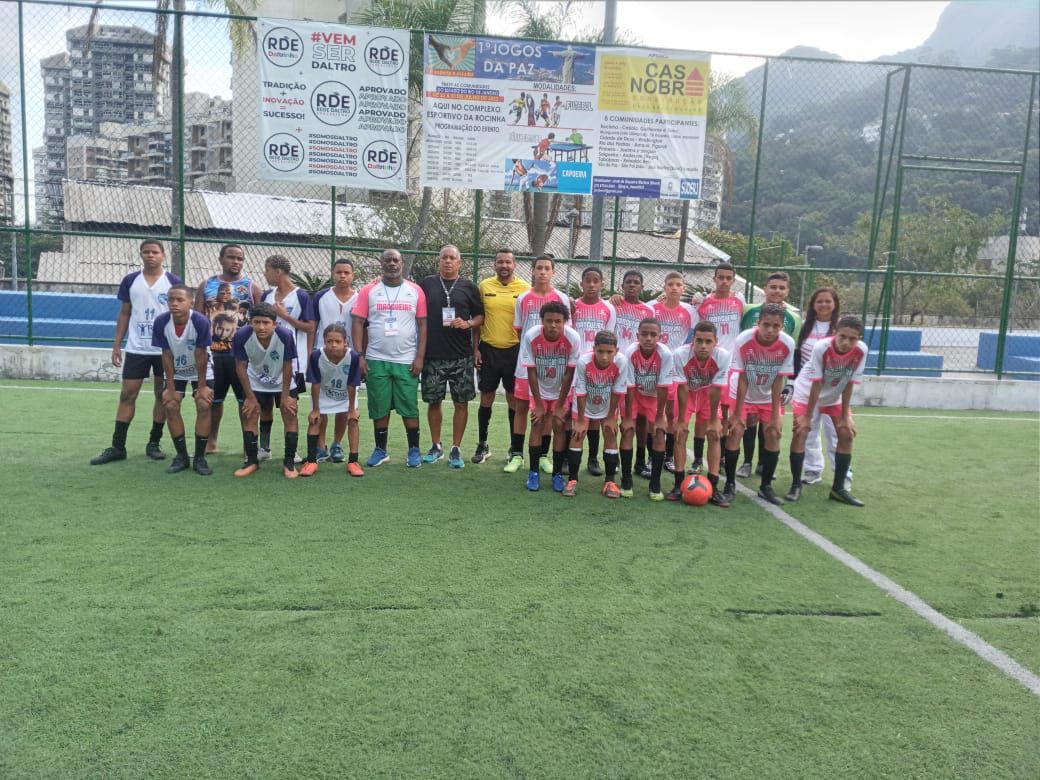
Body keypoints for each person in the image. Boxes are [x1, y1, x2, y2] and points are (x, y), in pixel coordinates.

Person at [90, 240, 180, 466]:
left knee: (163, 395)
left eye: (155, 252)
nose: (151, 256)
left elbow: (180, 316)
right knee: (127, 395)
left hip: (164, 350)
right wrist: (117, 344)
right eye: (146, 252)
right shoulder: (131, 280)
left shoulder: (173, 282)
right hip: (137, 348)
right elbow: (124, 313)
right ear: (141, 255)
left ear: (163, 255)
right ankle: (118, 446)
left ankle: (154, 443)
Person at [352, 248, 428, 468]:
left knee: (409, 406)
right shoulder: (369, 290)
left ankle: (413, 449)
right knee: (379, 406)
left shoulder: (415, 291)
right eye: (388, 260)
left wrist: (419, 357)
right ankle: (380, 449)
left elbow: (423, 325)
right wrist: (360, 356)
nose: (392, 263)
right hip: (376, 358)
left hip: (406, 359)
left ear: (402, 263)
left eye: (396, 260)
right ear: (382, 263)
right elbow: (357, 323)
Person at [787, 315, 868, 506]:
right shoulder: (821, 348)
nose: (847, 342)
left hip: (834, 393)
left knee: (846, 434)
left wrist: (845, 416)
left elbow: (849, 382)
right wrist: (807, 416)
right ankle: (796, 484)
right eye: (843, 337)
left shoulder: (861, 351)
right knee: (801, 431)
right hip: (807, 393)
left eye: (852, 338)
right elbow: (816, 382)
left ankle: (838, 489)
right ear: (834, 334)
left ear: (859, 339)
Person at [724, 303, 796, 506]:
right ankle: (729, 485)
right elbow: (743, 377)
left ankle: (766, 487)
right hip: (742, 392)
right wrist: (737, 414)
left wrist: (774, 415)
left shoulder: (787, 344)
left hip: (767, 394)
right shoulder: (743, 340)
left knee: (773, 433)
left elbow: (778, 380)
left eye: (776, 325)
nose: (771, 330)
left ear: (782, 326)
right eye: (766, 325)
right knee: (736, 430)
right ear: (758, 323)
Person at [419, 244, 484, 468]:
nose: (448, 261)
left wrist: (467, 323)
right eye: (444, 258)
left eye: (452, 258)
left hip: (461, 356)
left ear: (459, 262)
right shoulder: (427, 284)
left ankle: (456, 448)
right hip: (433, 355)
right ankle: (436, 446)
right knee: (433, 401)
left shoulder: (469, 287)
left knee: (461, 402)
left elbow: (480, 317)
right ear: (439, 261)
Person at [506, 254, 572, 475]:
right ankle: (516, 454)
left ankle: (543, 455)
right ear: (532, 271)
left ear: (553, 272)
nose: (543, 272)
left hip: (552, 365)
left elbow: (565, 332)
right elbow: (519, 330)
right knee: (522, 408)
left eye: (547, 268)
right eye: (539, 268)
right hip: (527, 364)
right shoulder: (523, 298)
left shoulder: (561, 299)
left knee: (546, 411)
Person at [194, 244, 262, 455]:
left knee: (247, 401)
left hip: (242, 355)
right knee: (214, 401)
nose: (236, 262)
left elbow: (261, 318)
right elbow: (197, 317)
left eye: (240, 258)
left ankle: (248, 445)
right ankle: (210, 442)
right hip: (214, 354)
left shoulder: (251, 287)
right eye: (231, 257)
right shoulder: (207, 285)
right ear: (221, 259)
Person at [735, 271, 801, 480]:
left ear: (787, 291)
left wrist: (788, 383)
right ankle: (746, 462)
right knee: (749, 421)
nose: (777, 291)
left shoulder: (794, 318)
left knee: (770, 424)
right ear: (765, 288)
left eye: (782, 288)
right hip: (750, 371)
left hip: (773, 375)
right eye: (773, 287)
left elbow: (793, 351)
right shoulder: (748, 310)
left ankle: (764, 464)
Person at [473, 248, 530, 465]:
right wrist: (475, 349)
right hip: (488, 349)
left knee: (513, 400)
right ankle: (482, 444)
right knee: (486, 397)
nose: (504, 266)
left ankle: (514, 448)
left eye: (508, 262)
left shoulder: (525, 288)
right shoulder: (484, 286)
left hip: (514, 351)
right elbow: (478, 319)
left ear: (514, 265)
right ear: (494, 265)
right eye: (500, 262)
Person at [150, 284, 214, 476]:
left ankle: (200, 458)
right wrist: (170, 387)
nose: (174, 304)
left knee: (203, 403)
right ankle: (182, 456)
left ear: (190, 303)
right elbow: (166, 354)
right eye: (171, 299)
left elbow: (201, 354)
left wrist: (202, 386)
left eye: (180, 300)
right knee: (170, 404)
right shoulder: (161, 322)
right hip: (176, 370)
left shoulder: (200, 321)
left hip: (201, 369)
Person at [231, 302, 299, 479]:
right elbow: (240, 367)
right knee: (251, 413)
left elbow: (287, 365)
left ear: (274, 324)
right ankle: (252, 461)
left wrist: (285, 396)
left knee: (289, 412)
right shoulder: (241, 336)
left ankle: (289, 463)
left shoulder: (285, 335)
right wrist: (250, 397)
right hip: (256, 381)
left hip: (282, 380)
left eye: (266, 323)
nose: (261, 327)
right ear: (250, 322)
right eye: (257, 322)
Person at [519, 301, 581, 492]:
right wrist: (538, 403)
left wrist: (561, 404)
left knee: (559, 426)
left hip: (562, 390)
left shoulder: (573, 338)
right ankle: (534, 473)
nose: (553, 325)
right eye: (549, 321)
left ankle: (556, 475)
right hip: (539, 388)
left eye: (558, 321)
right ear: (542, 321)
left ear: (565, 322)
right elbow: (531, 371)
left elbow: (570, 373)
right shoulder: (531, 336)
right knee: (537, 424)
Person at [260, 255, 315, 461]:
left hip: (293, 361)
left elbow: (310, 327)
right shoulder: (267, 295)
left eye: (267, 270)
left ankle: (291, 452)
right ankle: (264, 449)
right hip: (266, 361)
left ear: (278, 271)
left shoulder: (301, 296)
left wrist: (284, 316)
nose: (265, 275)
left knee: (289, 406)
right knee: (265, 405)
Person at [670, 321, 731, 506]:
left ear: (715, 342)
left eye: (708, 341)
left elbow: (716, 390)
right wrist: (681, 420)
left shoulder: (723, 356)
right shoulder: (680, 354)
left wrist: (713, 420)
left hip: (708, 394)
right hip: (687, 393)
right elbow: (681, 388)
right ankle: (678, 484)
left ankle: (713, 487)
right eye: (699, 341)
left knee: (714, 435)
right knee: (679, 434)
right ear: (692, 341)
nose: (703, 346)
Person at [692, 262, 744, 472]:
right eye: (720, 277)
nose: (724, 281)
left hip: (732, 367)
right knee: (703, 414)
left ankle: (721, 457)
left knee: (724, 413)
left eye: (728, 278)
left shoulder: (740, 300)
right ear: (714, 279)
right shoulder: (704, 303)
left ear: (733, 280)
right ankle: (697, 458)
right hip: (708, 365)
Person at [564, 330, 630, 498]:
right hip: (584, 403)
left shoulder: (622, 362)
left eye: (609, 352)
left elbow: (617, 391)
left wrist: (610, 417)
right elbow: (580, 391)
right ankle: (572, 480)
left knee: (610, 433)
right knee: (577, 434)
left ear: (617, 350)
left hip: (608, 404)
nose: (605, 356)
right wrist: (580, 419)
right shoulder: (584, 361)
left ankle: (610, 481)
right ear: (594, 349)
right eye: (601, 351)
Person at [792, 287, 845, 487]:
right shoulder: (805, 326)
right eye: (819, 301)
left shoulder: (841, 328)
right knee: (809, 429)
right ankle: (813, 469)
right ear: (813, 305)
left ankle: (843, 474)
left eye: (828, 301)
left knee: (837, 432)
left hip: (832, 388)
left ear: (835, 304)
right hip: (807, 387)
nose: (823, 305)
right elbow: (797, 356)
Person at [308, 257, 359, 463]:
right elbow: (312, 326)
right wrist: (309, 352)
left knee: (343, 403)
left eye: (346, 272)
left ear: (352, 275)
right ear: (332, 274)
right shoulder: (321, 296)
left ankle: (337, 444)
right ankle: (321, 446)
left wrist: (361, 354)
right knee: (322, 401)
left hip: (348, 357)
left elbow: (363, 327)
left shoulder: (360, 297)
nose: (342, 276)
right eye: (338, 272)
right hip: (324, 356)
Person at [300, 323, 364, 478]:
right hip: (323, 392)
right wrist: (315, 409)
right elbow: (315, 383)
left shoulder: (354, 357)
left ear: (345, 342)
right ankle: (311, 461)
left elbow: (352, 384)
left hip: (346, 394)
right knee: (315, 420)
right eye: (329, 341)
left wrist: (351, 409)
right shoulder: (316, 356)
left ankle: (353, 461)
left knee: (353, 420)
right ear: (324, 341)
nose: (333, 345)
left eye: (337, 341)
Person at [622, 318, 674, 501]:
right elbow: (628, 386)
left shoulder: (665, 354)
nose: (649, 338)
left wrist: (660, 417)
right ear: (637, 336)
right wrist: (628, 416)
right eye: (644, 334)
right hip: (634, 394)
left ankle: (655, 483)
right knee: (628, 430)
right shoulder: (630, 352)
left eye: (653, 335)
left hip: (654, 397)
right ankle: (626, 479)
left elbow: (663, 388)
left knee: (659, 432)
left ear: (660, 337)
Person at [572, 266, 616, 476]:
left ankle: (592, 458)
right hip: (576, 367)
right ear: (581, 284)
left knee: (596, 415)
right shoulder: (573, 306)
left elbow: (610, 337)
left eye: (595, 281)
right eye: (587, 281)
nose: (591, 284)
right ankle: (566, 459)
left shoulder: (608, 309)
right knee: (575, 413)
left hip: (600, 367)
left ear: (601, 284)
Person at [651, 271, 696, 474]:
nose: (674, 288)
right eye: (671, 284)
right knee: (654, 414)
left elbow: (695, 334)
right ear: (664, 287)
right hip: (655, 369)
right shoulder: (653, 307)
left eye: (678, 284)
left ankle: (668, 457)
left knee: (672, 415)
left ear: (683, 288)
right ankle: (652, 457)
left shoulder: (690, 311)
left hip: (677, 371)